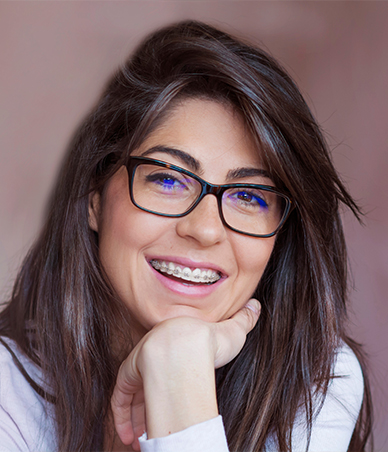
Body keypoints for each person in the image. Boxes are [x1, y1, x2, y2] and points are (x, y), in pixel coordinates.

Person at [0, 20, 372, 452]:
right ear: (94, 197)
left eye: (250, 196)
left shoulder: (315, 381)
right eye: (168, 180)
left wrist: (177, 367)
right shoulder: (9, 389)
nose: (204, 229)